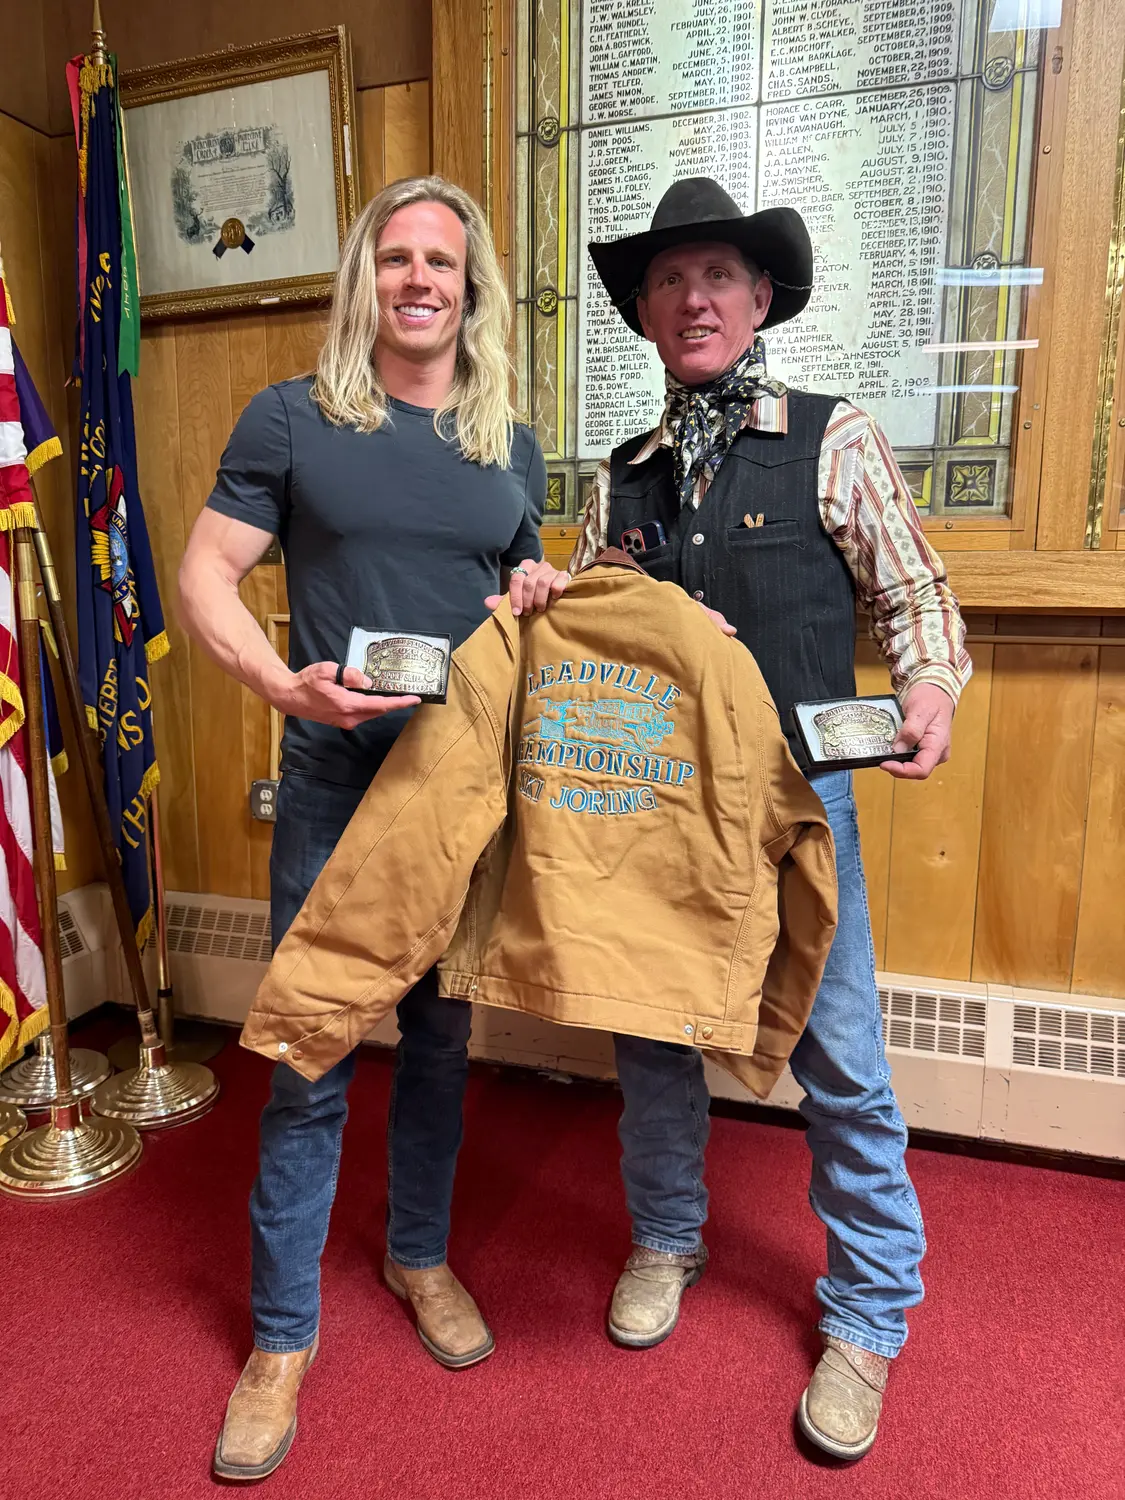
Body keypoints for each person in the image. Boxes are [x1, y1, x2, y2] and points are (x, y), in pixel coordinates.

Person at [178, 175, 568, 1483]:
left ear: (470, 288)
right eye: (394, 257)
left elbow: (515, 579)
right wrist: (279, 683)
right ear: (367, 279)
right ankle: (281, 1340)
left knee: (444, 1042)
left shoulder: (504, 442)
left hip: (452, 797)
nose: (417, 279)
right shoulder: (293, 420)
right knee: (310, 1056)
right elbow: (205, 578)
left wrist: (532, 586)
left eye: (439, 262)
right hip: (335, 786)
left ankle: (415, 1254)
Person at [575, 177, 972, 1461]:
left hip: (804, 803)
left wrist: (929, 691)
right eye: (671, 279)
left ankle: (868, 1312)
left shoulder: (833, 433)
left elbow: (913, 594)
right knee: (650, 1037)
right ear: (645, 311)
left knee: (838, 1054)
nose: (696, 298)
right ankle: (666, 1238)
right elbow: (597, 639)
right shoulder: (619, 478)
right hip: (656, 806)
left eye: (720, 278)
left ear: (758, 303)